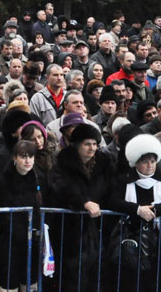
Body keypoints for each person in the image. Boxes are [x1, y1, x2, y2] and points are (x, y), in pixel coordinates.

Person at [47, 122, 114, 288]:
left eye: (95, 144)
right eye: (87, 144)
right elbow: (60, 187)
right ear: (77, 145)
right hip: (70, 228)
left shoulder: (104, 163)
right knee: (71, 275)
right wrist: (83, 201)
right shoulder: (63, 162)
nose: (92, 148)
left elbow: (111, 189)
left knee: (96, 273)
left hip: (97, 226)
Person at [107, 133, 161, 292]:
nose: (150, 165)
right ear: (136, 162)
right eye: (145, 162)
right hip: (131, 237)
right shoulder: (125, 180)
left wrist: (156, 210)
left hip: (158, 239)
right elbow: (113, 201)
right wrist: (137, 209)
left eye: (153, 161)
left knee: (156, 279)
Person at [0, 140, 41, 292]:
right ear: (14, 158)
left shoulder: (36, 177)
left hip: (31, 236)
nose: (28, 161)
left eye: (31, 157)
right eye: (23, 157)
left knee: (30, 276)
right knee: (9, 278)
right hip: (8, 238)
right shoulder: (2, 179)